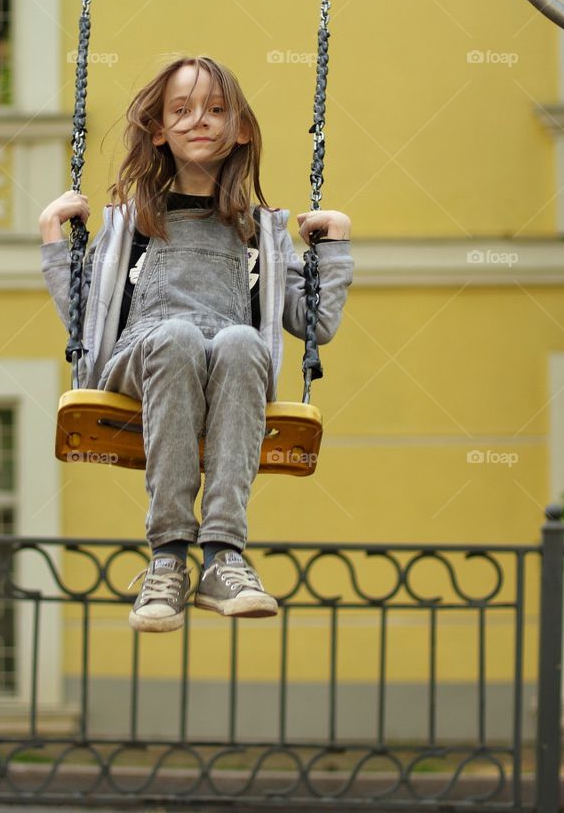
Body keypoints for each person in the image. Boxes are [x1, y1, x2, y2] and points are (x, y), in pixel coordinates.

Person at [39, 55, 353, 634]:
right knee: (179, 336)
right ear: (159, 129)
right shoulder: (131, 221)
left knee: (238, 339)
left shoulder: (262, 231)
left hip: (228, 366)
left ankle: (223, 557)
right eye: (180, 110)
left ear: (242, 129)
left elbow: (316, 325)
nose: (198, 121)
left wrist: (332, 247)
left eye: (215, 110)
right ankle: (166, 557)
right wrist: (56, 241)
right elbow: (85, 320)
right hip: (142, 355)